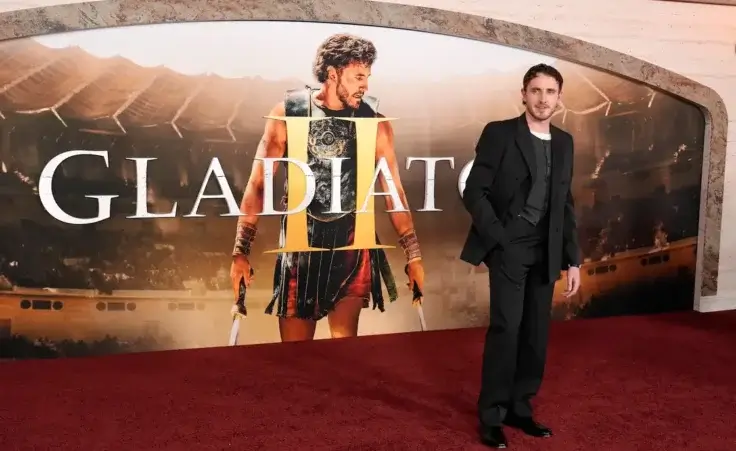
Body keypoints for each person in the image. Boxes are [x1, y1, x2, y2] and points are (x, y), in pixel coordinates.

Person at [229, 33, 425, 342]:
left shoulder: (375, 122)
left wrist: (413, 256)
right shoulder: (287, 114)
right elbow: (258, 183)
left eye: (368, 76)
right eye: (358, 76)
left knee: (343, 354)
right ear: (332, 73)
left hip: (351, 243)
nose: (366, 85)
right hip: (300, 244)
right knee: (296, 359)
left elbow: (393, 192)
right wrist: (240, 252)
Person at [460, 64, 582, 448]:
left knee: (535, 334)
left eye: (550, 91)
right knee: (506, 330)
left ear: (559, 98)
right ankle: (492, 415)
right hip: (509, 246)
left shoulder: (564, 142)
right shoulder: (499, 134)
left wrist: (573, 258)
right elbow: (474, 191)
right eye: (536, 90)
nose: (543, 98)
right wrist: (498, 238)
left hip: (546, 249)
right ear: (523, 94)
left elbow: (565, 203)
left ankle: (521, 408)